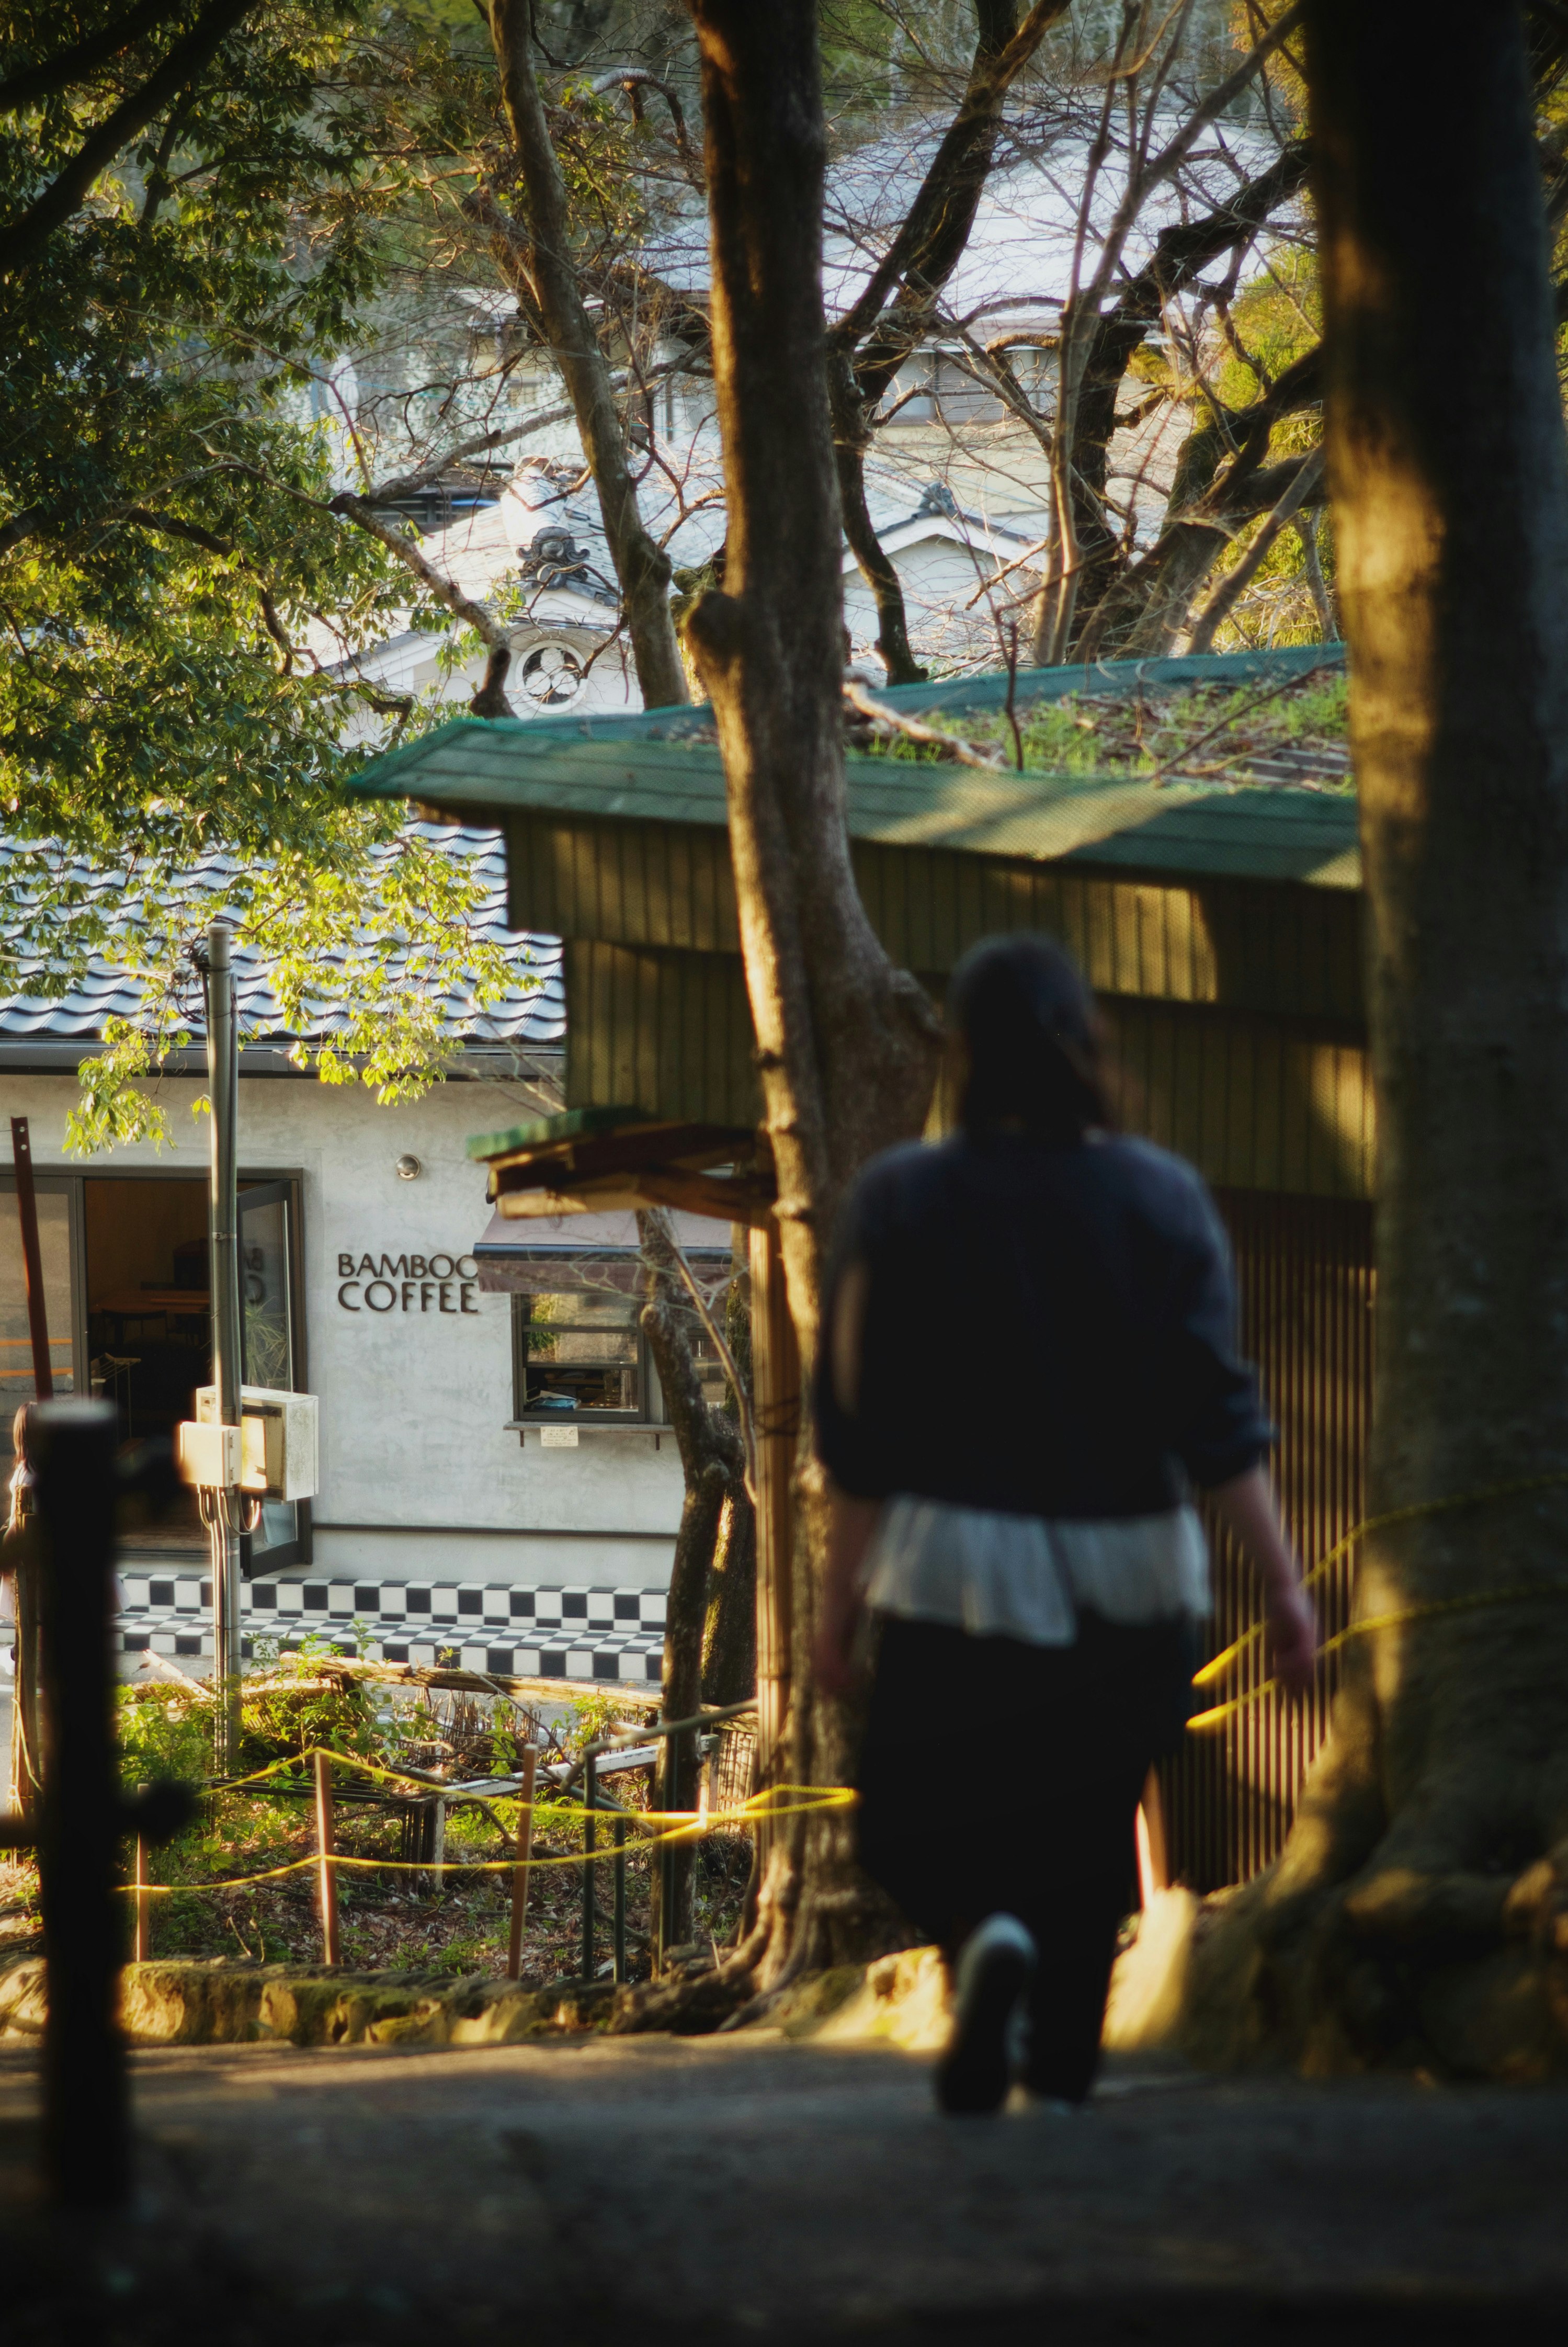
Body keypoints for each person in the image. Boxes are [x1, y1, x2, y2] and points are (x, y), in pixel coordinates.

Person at [812, 934, 1316, 2116]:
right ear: (1086, 1044)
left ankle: (983, 1940)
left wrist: (835, 1608)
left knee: (910, 1821)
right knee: (1085, 1831)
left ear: (960, 1052)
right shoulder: (1161, 1196)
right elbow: (1216, 1414)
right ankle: (1060, 2069)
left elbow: (855, 1431)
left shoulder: (901, 1197)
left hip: (954, 1562)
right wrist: (1284, 1586)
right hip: (1133, 1566)